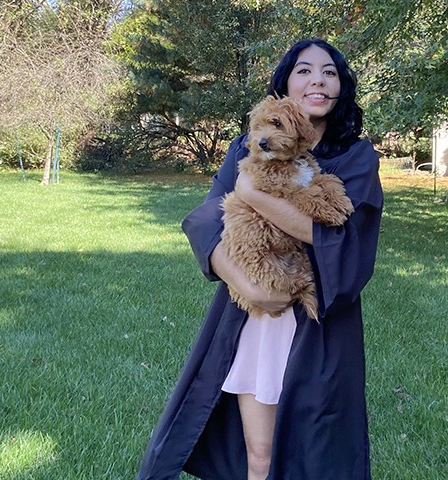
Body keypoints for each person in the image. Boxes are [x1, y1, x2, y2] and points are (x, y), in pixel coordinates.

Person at [137, 38, 383, 480]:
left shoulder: (356, 156)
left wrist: (250, 193)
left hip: (320, 322)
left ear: (341, 86)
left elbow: (341, 238)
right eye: (304, 70)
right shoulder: (246, 147)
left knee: (316, 452)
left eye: (329, 72)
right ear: (286, 82)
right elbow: (205, 220)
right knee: (259, 453)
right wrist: (250, 287)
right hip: (253, 319)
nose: (317, 81)